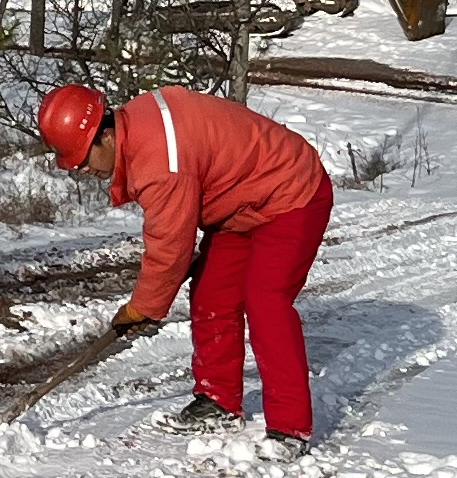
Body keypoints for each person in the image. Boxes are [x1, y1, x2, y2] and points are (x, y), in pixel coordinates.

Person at [37, 78, 331, 443]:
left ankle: (290, 426)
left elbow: (170, 249)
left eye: (82, 160)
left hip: (291, 192)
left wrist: (143, 307)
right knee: (211, 293)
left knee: (265, 300)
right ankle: (218, 402)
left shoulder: (160, 161)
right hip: (238, 205)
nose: (82, 171)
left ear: (106, 136)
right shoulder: (138, 126)